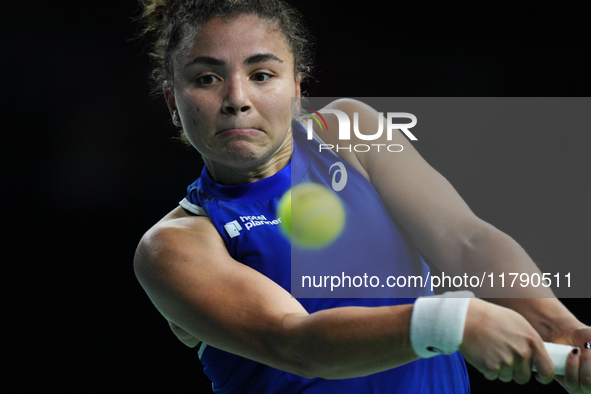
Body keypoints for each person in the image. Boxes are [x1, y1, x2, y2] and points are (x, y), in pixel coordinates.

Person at [133, 1, 590, 393]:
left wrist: (564, 329)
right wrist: (450, 321)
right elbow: (298, 342)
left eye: (262, 74)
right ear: (174, 102)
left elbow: (463, 240)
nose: (237, 97)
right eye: (208, 79)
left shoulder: (350, 132)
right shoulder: (176, 246)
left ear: (296, 89)